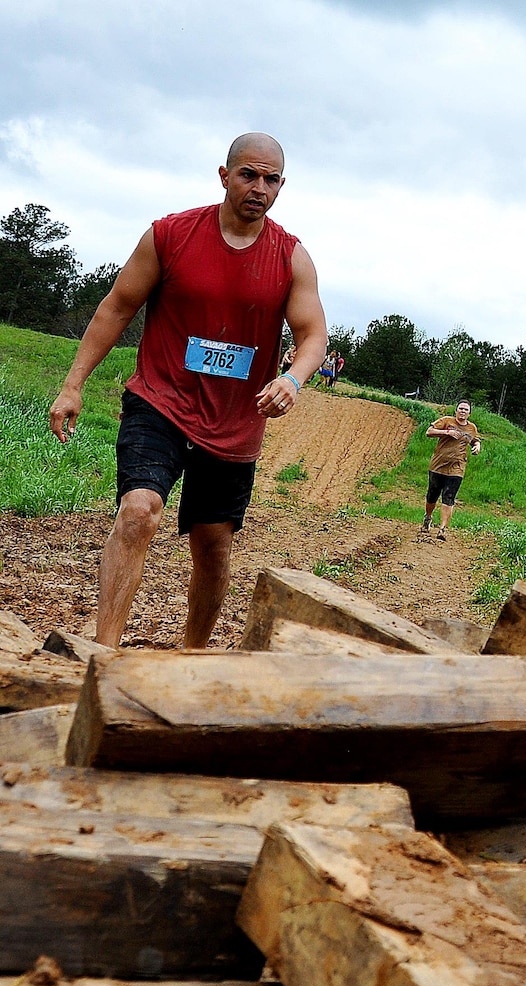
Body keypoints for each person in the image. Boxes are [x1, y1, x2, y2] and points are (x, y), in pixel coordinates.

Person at [47, 132, 326, 648]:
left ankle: (192, 654)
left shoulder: (291, 258)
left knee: (213, 545)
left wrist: (292, 378)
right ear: (225, 176)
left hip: (234, 422)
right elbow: (116, 306)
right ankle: (102, 655)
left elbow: (313, 335)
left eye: (270, 179)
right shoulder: (169, 235)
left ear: (281, 186)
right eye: (248, 174)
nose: (258, 187)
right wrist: (73, 384)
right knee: (137, 512)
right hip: (161, 400)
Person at [422, 400, 481, 538]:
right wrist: (446, 432)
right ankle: (428, 517)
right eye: (460, 408)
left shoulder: (472, 428)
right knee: (432, 495)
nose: (463, 411)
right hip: (438, 465)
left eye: (466, 410)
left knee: (449, 497)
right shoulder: (447, 421)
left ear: (469, 413)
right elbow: (429, 432)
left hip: (457, 468)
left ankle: (442, 529)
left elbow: (475, 439)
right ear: (456, 410)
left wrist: (477, 446)